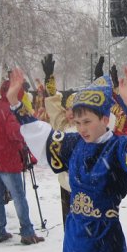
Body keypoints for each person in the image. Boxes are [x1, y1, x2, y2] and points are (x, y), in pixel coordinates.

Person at [6, 67, 127, 252]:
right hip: (75, 244)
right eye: (77, 123)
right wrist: (15, 103)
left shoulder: (117, 148)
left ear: (105, 119)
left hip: (104, 245)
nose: (81, 129)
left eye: (87, 122)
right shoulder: (74, 144)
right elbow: (41, 134)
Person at [0, 79, 44, 245]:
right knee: (19, 196)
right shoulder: (9, 110)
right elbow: (15, 133)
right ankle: (27, 232)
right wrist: (29, 128)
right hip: (8, 158)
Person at [41, 54, 76, 228]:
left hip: (85, 184)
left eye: (74, 110)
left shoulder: (90, 129)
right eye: (68, 109)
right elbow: (54, 108)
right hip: (65, 182)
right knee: (68, 222)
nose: (69, 113)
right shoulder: (62, 125)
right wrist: (50, 82)